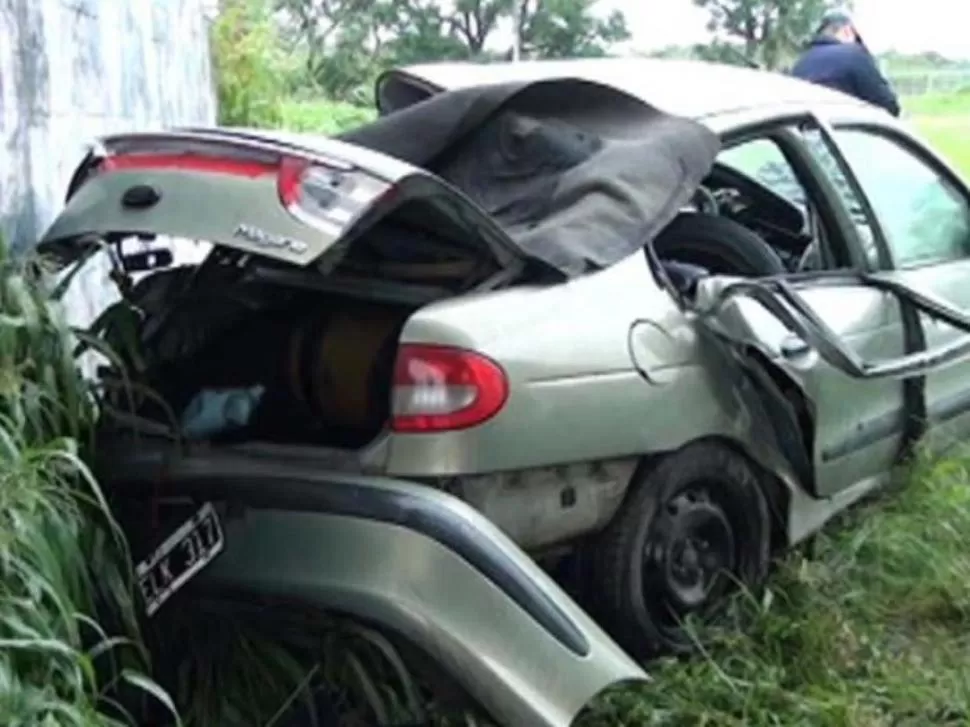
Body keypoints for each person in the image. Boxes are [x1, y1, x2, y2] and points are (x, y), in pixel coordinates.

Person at [791, 12, 901, 117]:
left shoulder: (800, 63)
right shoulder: (854, 54)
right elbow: (889, 106)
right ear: (847, 31)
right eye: (857, 39)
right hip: (844, 132)